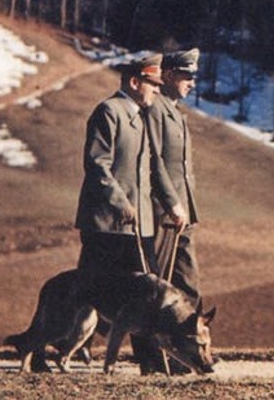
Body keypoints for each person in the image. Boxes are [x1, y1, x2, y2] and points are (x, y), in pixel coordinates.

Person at [73, 53, 167, 373]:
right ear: (134, 82)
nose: (157, 90)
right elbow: (97, 165)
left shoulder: (140, 116)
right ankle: (55, 347)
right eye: (153, 84)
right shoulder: (109, 112)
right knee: (86, 293)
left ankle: (151, 361)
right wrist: (121, 203)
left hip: (136, 226)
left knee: (145, 291)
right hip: (106, 225)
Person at [148, 48, 203, 304]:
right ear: (168, 75)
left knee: (187, 282)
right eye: (186, 76)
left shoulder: (174, 111)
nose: (192, 83)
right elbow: (154, 160)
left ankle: (188, 339)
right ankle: (150, 345)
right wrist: (171, 204)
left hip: (182, 213)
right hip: (164, 213)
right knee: (156, 283)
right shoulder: (155, 109)